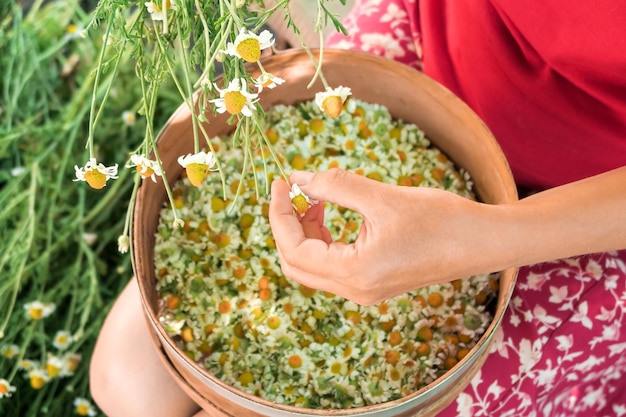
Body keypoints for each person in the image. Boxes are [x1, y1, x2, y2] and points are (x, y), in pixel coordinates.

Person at [90, 1, 626, 416]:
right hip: (434, 45)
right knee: (127, 380)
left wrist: (481, 239)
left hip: (572, 214)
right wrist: (251, 48)